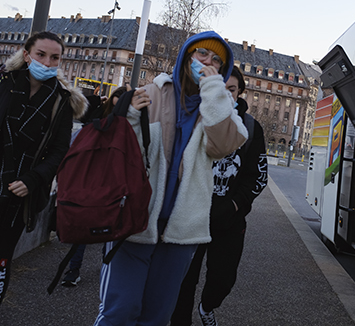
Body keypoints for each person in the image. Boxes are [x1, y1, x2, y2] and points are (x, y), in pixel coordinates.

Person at [93, 31, 248, 326]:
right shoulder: (152, 92)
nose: (208, 63)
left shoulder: (219, 107)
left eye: (217, 61)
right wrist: (132, 120)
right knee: (119, 311)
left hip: (181, 231)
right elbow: (124, 153)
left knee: (157, 317)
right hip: (136, 221)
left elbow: (224, 144)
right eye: (203, 54)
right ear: (187, 55)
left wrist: (215, 89)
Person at [0, 31, 87, 326]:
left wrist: (33, 180)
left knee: (0, 262)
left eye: (55, 57)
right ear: (26, 54)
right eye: (41, 55)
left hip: (17, 197)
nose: (47, 62)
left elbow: (60, 150)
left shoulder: (61, 101)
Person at [170, 66, 268, 326]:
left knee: (223, 279)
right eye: (221, 87)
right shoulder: (196, 120)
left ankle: (207, 306)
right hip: (192, 216)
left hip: (229, 221)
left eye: (232, 90)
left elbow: (258, 177)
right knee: (183, 281)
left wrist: (234, 205)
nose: (226, 94)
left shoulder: (250, 128)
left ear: (240, 93)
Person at [61, 86, 128, 287]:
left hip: (110, 181)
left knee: (109, 226)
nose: (117, 102)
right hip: (89, 176)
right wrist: (97, 99)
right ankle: (74, 269)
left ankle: (106, 269)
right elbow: (78, 109)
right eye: (116, 97)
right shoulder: (97, 113)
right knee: (84, 223)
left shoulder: (125, 124)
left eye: (121, 99)